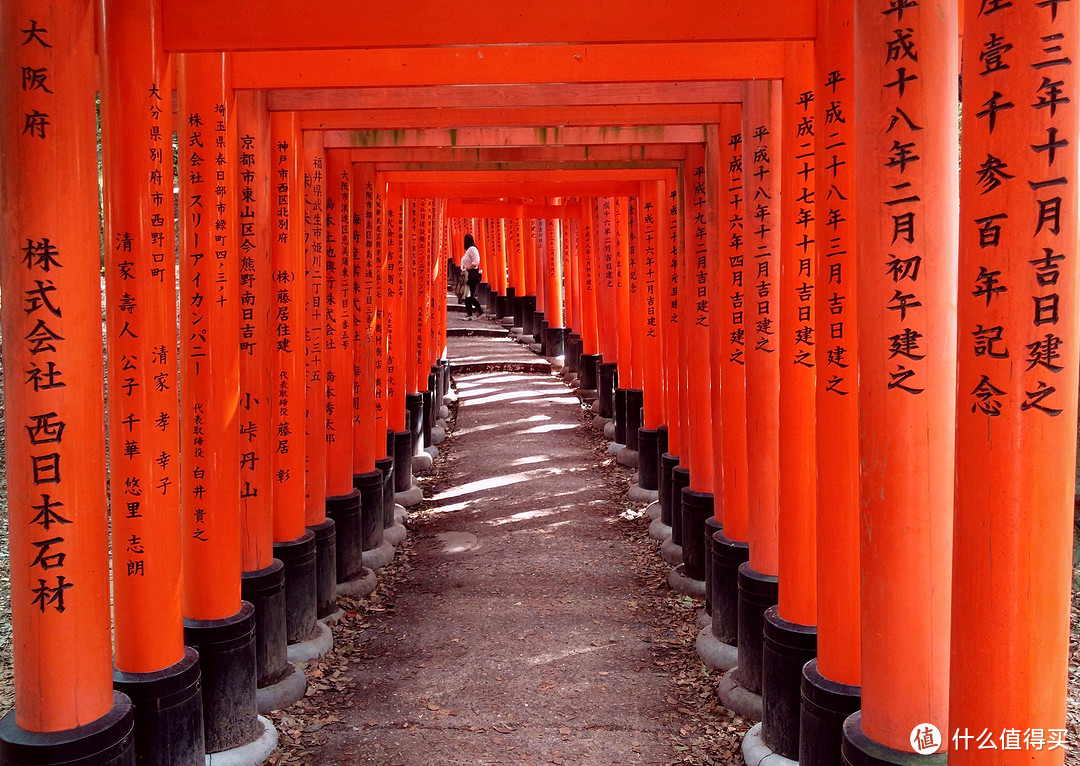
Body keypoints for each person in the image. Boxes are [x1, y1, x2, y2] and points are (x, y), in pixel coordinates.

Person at [460, 233, 483, 319]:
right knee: (468, 295)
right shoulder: (470, 249)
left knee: (469, 295)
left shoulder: (472, 249)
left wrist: (467, 268)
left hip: (472, 274)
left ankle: (477, 312)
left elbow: (476, 262)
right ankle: (471, 313)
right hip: (469, 274)